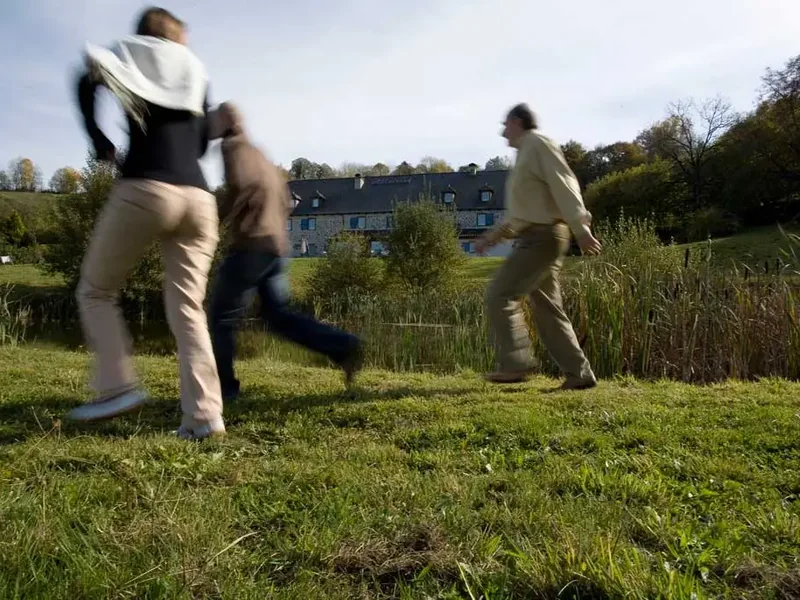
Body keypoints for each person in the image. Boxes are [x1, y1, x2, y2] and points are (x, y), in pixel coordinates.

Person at [67, 7, 225, 440]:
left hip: (145, 190)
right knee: (189, 311)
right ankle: (205, 417)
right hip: (199, 200)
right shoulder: (195, 73)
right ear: (177, 37)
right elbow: (198, 142)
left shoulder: (129, 55)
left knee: (96, 291)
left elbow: (84, 80)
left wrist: (99, 139)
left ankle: (116, 386)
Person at [208, 102, 364, 401]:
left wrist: (214, 221)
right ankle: (344, 346)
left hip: (250, 247)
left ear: (224, 123)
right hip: (276, 248)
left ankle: (224, 390)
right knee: (278, 316)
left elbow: (239, 187)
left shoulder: (232, 147)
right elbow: (286, 199)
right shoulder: (260, 154)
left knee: (221, 318)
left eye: (213, 119)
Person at [476, 103, 601, 389]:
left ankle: (516, 363)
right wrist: (492, 237)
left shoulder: (539, 145)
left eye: (505, 124)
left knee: (499, 295)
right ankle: (579, 374)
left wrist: (581, 228)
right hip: (537, 235)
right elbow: (522, 213)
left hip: (542, 238)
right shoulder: (524, 155)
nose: (502, 130)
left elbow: (565, 185)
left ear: (519, 122)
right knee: (548, 309)